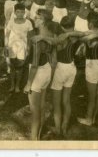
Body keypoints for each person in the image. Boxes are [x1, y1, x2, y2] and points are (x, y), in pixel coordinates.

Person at [50, 16, 89, 136]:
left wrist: (51, 75)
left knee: (56, 103)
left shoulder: (61, 38)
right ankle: (65, 126)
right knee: (66, 100)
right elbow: (83, 33)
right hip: (72, 68)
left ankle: (57, 129)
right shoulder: (76, 38)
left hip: (60, 69)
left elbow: (54, 57)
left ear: (62, 27)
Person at [23, 9, 57, 140]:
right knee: (41, 106)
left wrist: (28, 83)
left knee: (35, 111)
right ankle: (38, 134)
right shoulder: (51, 35)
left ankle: (34, 140)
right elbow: (53, 59)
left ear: (42, 20)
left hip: (37, 74)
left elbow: (35, 65)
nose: (33, 19)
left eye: (36, 18)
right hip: (47, 70)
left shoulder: (37, 40)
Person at [77, 13, 98, 126]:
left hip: (93, 65)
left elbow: (88, 39)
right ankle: (94, 117)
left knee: (92, 96)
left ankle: (89, 119)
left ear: (90, 24)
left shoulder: (87, 36)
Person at [5, 3, 33, 93]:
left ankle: (17, 85)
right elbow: (7, 34)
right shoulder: (11, 21)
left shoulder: (28, 22)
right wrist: (6, 46)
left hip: (22, 47)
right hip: (12, 46)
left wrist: (28, 47)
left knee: (20, 67)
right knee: (12, 66)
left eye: (22, 12)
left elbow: (30, 37)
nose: (20, 14)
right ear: (15, 12)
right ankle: (12, 85)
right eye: (18, 12)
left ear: (24, 12)